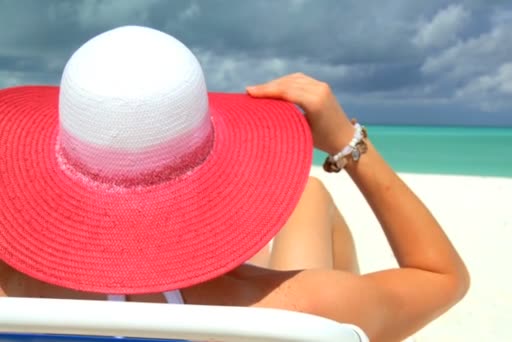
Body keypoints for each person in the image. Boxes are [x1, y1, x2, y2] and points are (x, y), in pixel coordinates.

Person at [0, 26, 468, 342]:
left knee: (309, 197)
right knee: (310, 194)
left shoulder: (13, 300)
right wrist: (349, 142)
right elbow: (440, 276)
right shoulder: (298, 314)